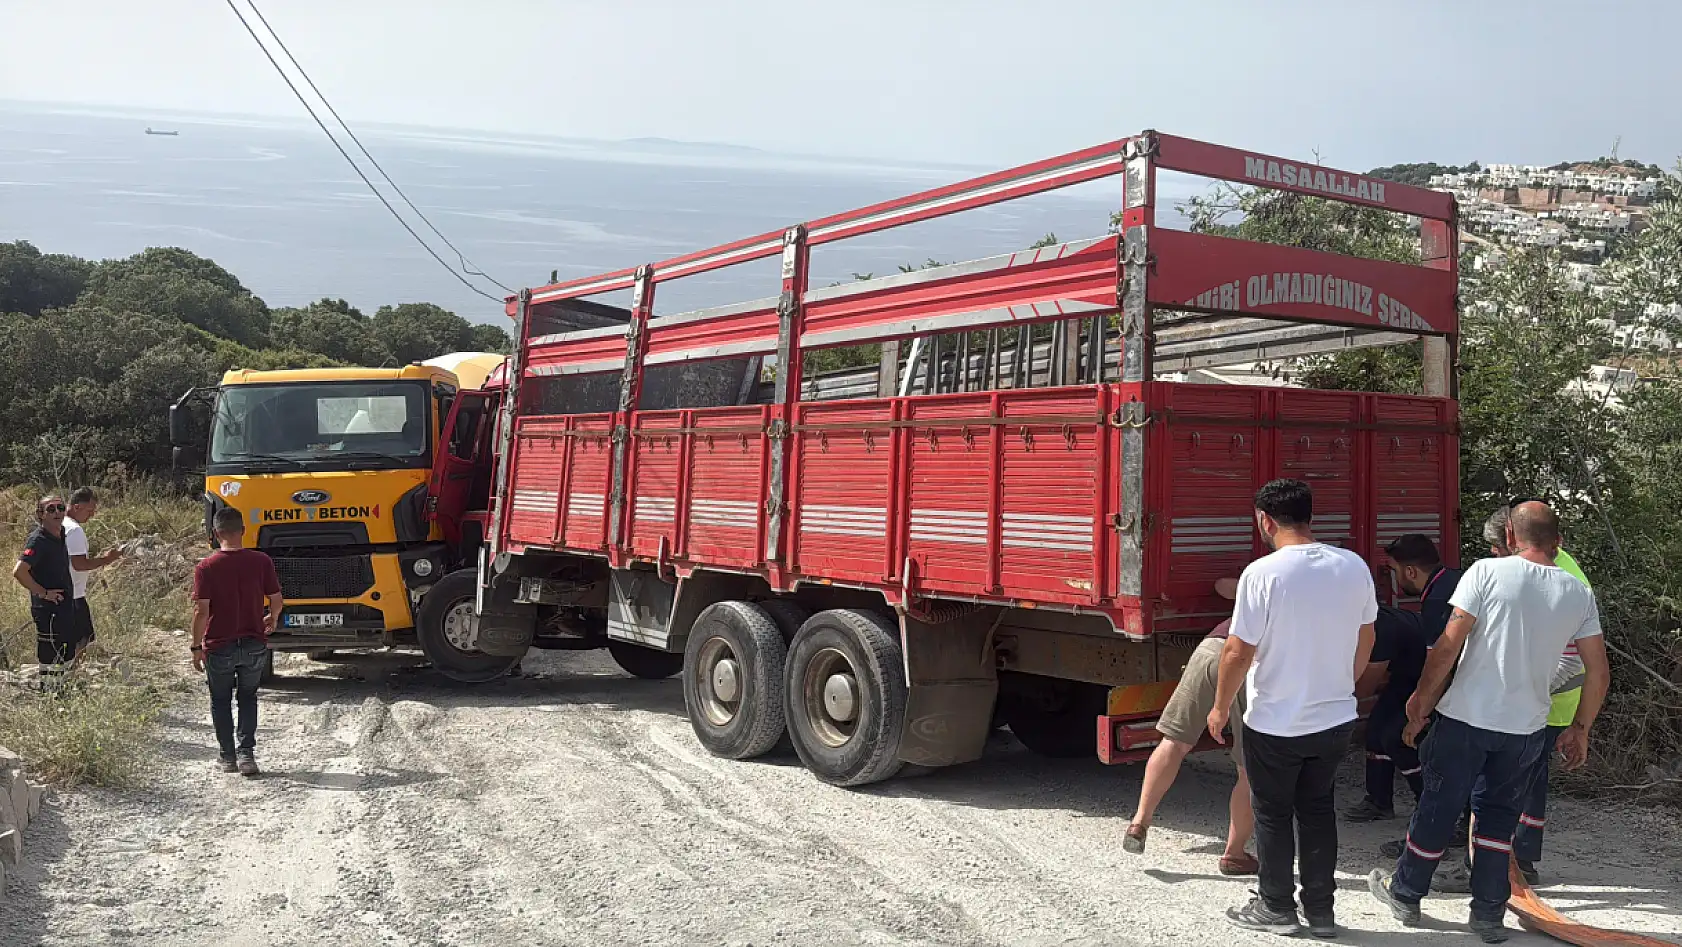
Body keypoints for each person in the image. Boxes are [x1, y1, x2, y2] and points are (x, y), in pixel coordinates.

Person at [1368, 502, 1609, 945]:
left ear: (1512, 538)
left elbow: (1446, 646)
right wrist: (1580, 728)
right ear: (1557, 541)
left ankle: (1405, 892)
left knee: (1439, 805)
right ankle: (1488, 915)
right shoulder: (1576, 593)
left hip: (1466, 719)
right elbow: (1598, 670)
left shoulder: (1485, 572)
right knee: (1498, 821)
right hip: (1526, 729)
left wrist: (1421, 700)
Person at [1208, 479, 1377, 938]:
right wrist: (1345, 683)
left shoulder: (1262, 574)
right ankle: (1321, 912)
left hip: (1275, 720)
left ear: (1264, 519)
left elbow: (1237, 651)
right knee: (1318, 810)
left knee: (1273, 813)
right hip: (1336, 717)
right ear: (1310, 516)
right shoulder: (1353, 565)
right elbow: (1367, 636)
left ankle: (1276, 906)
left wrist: (1221, 706)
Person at [1484, 503, 1592, 887]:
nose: (1495, 560)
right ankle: (1521, 859)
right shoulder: (1563, 567)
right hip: (1553, 695)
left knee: (1506, 781)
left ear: (1512, 541)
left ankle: (1500, 865)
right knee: (1530, 779)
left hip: (1542, 696)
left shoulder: (1550, 577)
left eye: (1497, 552)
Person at [1124, 576, 1256, 876]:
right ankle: (1234, 854)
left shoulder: (1266, 577)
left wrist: (1244, 586)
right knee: (1249, 768)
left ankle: (1139, 822)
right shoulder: (1319, 601)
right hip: (1250, 661)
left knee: (1174, 741)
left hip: (1212, 648)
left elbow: (1221, 585)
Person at [1345, 534, 1460, 823]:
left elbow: (1440, 662)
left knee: (1398, 737)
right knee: (1377, 731)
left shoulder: (1432, 602)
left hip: (1433, 678)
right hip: (1409, 673)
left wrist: (1420, 709)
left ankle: (1433, 814)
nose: (1395, 578)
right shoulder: (1451, 581)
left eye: (1395, 571)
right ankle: (1379, 801)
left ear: (1410, 571)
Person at [190, 507, 283, 777]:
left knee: (220, 700)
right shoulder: (261, 561)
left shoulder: (206, 567)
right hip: (254, 642)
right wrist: (272, 619)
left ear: (215, 534)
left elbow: (201, 612)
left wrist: (196, 647)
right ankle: (247, 755)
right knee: (248, 697)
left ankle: (227, 757)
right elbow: (276, 600)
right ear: (243, 530)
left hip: (220, 645)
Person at [13, 496, 82, 689]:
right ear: (41, 515)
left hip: (64, 604)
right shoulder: (38, 540)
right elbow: (19, 572)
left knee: (67, 647)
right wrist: (43, 593)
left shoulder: (62, 534)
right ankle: (50, 692)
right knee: (50, 651)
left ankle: (63, 689)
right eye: (51, 509)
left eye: (60, 507)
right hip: (47, 608)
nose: (57, 512)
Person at [64, 486, 125, 662]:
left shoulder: (57, 524)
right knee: (83, 639)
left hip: (61, 593)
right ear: (77, 507)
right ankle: (73, 675)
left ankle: (65, 676)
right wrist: (107, 559)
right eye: (89, 511)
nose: (92, 515)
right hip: (74, 594)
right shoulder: (74, 530)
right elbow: (79, 564)